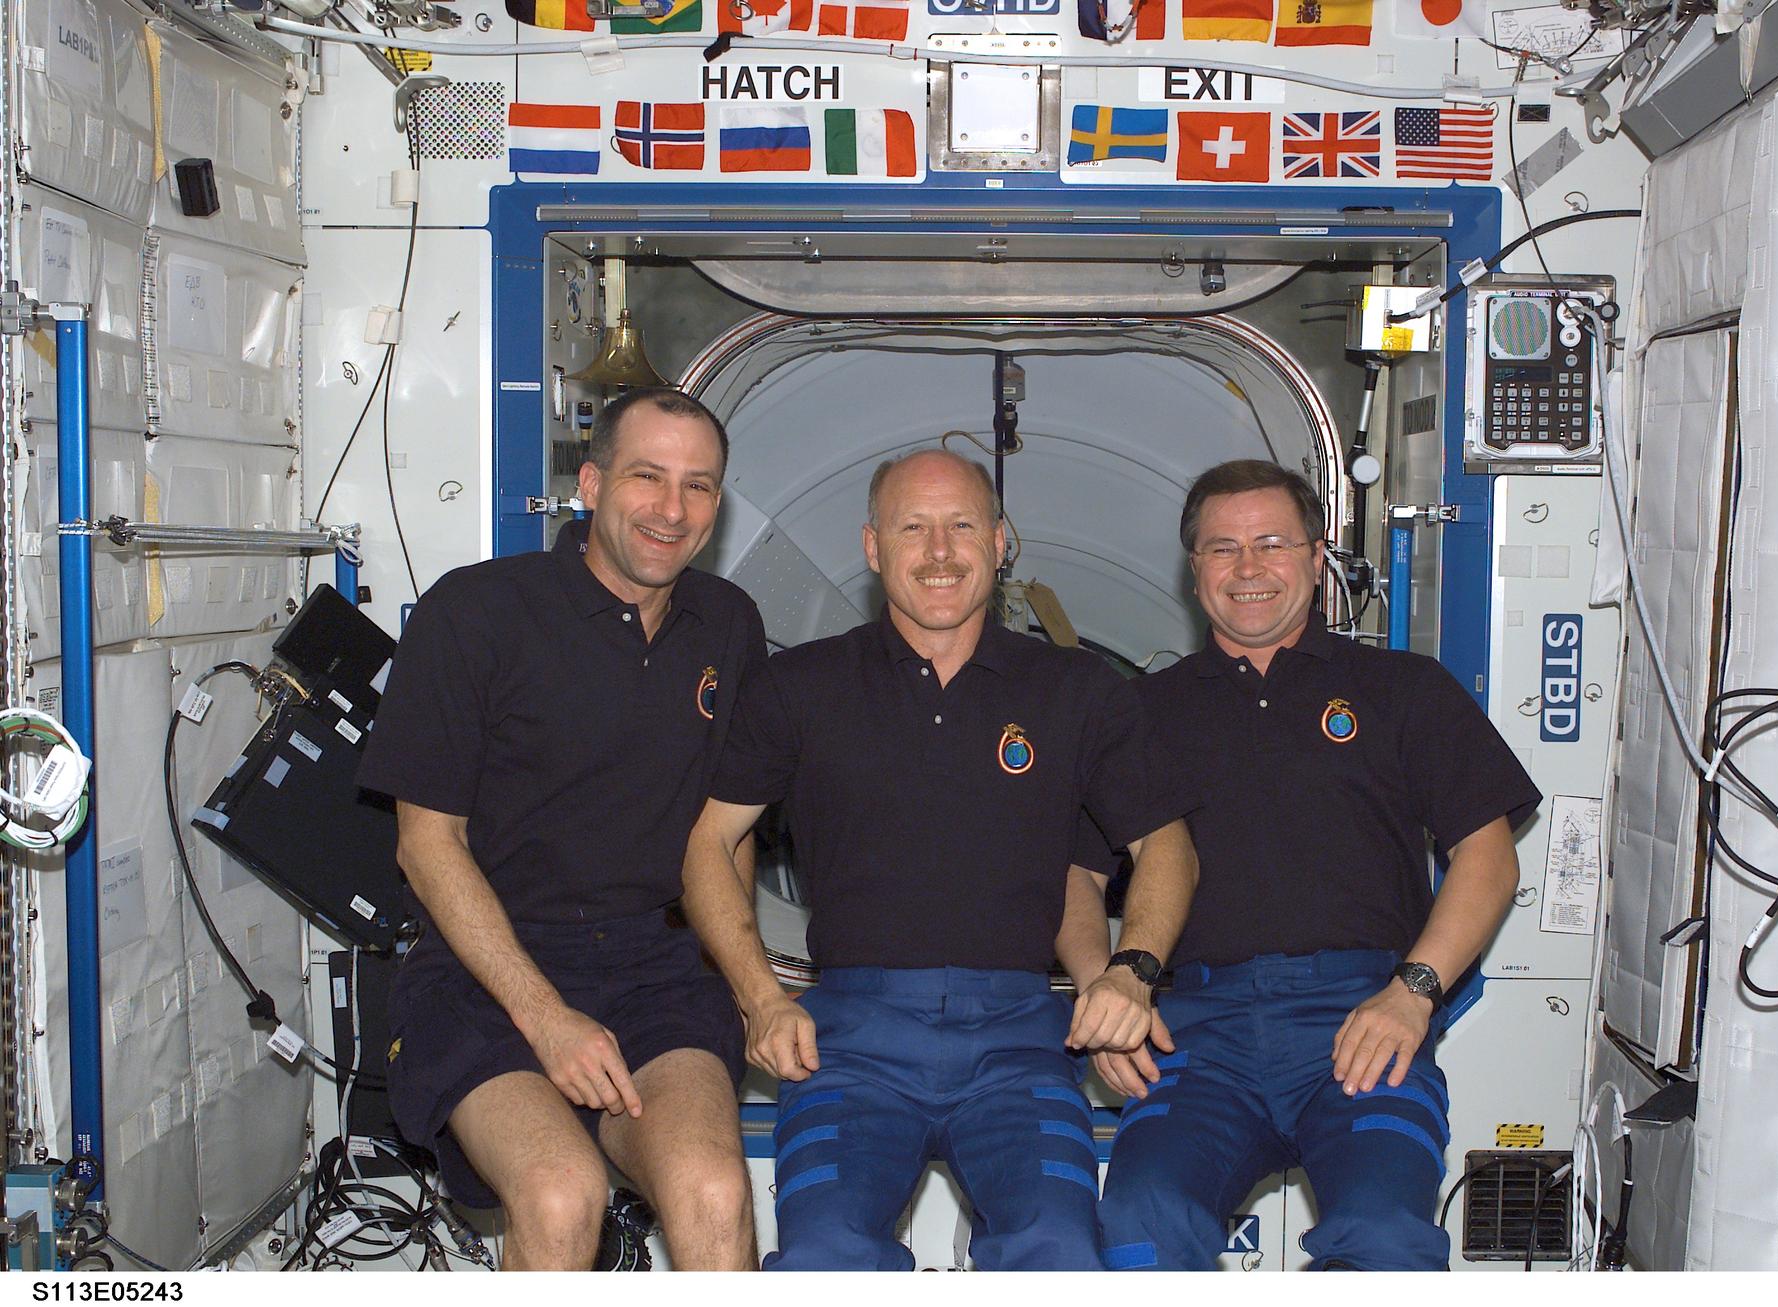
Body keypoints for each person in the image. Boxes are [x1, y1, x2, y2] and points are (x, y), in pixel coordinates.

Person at [680, 447, 1199, 1270]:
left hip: (1020, 1042)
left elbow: (1164, 843)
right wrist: (761, 997)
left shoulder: (1077, 690)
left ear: (999, 541)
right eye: (912, 528)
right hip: (851, 1040)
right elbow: (709, 841)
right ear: (872, 546)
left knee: (1060, 1248)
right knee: (823, 1253)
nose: (939, 551)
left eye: (961, 525)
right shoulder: (801, 685)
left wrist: (1130, 972)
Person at [1088, 459, 1541, 1271]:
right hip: (1200, 1037)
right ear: (1194, 569)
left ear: (1316, 554)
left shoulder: (1403, 688)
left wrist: (1413, 991)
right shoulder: (1142, 712)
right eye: (1223, 548)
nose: (1249, 567)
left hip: (1364, 1019)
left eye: (1272, 542)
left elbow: (1489, 856)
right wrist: (1107, 993)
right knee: (1139, 1215)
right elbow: (1075, 877)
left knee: (1385, 1232)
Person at [358, 388, 766, 1270]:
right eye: (647, 476)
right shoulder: (474, 612)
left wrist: (753, 985)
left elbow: (726, 834)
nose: (671, 508)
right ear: (590, 484)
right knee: (558, 1192)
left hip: (656, 968)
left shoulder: (729, 625)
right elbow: (425, 845)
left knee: (715, 1190)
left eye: (698, 485)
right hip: (488, 966)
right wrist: (546, 1020)